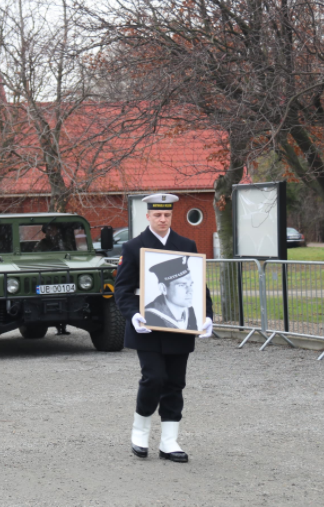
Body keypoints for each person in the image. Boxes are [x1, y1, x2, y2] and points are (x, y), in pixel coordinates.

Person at [113, 193, 214, 463]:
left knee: (175, 383)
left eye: (167, 215)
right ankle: (140, 432)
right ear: (147, 216)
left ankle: (169, 441)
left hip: (180, 327)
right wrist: (132, 315)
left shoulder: (186, 244)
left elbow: (199, 286)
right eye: (157, 215)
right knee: (153, 378)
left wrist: (207, 316)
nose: (162, 219)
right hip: (147, 326)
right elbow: (122, 289)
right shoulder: (134, 247)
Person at [144, 257, 199, 331]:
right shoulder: (149, 317)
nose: (190, 291)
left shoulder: (189, 311)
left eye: (190, 285)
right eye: (182, 285)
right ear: (163, 288)